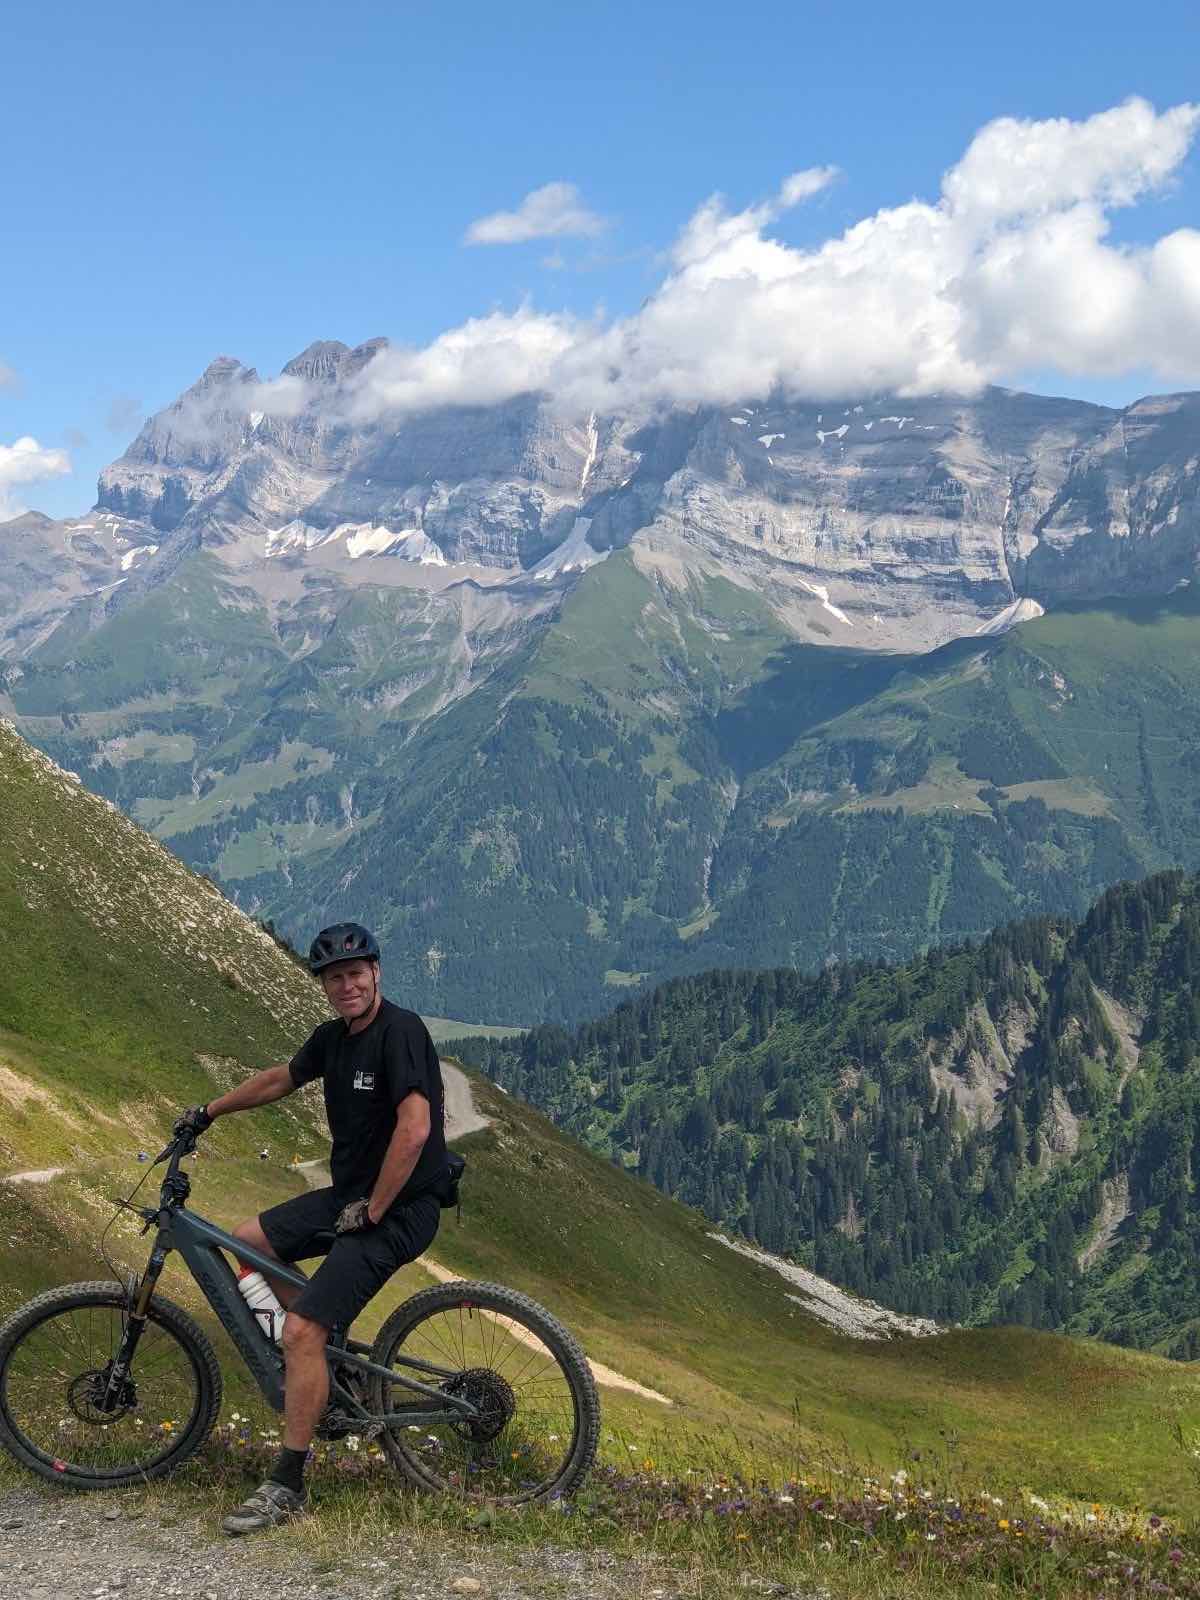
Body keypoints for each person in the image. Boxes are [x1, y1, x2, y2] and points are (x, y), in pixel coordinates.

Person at [171, 921, 448, 1535]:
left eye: (355, 973)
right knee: (247, 1240)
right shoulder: (333, 1039)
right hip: (351, 1197)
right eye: (333, 978)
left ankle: (287, 1483)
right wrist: (210, 1112)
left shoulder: (401, 1032)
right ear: (323, 987)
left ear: (376, 973)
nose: (346, 985)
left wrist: (374, 1209)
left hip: (399, 1207)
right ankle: (327, 1355)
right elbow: (280, 1079)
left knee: (297, 1330)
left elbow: (416, 1129)